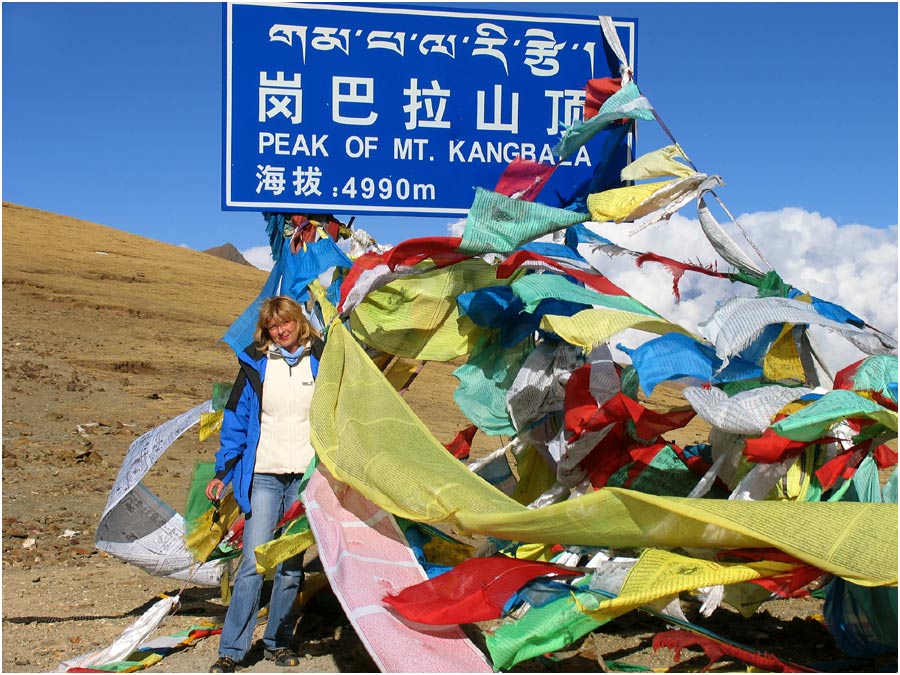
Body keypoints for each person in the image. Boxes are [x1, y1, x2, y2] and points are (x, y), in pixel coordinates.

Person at [206, 295, 324, 673]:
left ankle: (277, 642)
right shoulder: (256, 366)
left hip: (304, 479)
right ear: (266, 331)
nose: (281, 330)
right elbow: (236, 423)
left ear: (299, 321)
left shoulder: (322, 361)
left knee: (291, 567)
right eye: (274, 326)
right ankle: (232, 650)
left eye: (286, 322)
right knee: (254, 563)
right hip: (265, 475)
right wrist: (223, 472)